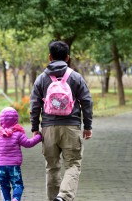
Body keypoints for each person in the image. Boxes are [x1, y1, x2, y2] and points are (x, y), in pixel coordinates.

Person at [30, 41, 93, 201]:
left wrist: (35, 127)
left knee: (52, 167)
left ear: (49, 57)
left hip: (48, 129)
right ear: (67, 57)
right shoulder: (76, 77)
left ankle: (54, 199)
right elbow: (86, 102)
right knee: (73, 164)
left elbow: (35, 104)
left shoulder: (41, 79)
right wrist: (88, 126)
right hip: (71, 127)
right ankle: (64, 197)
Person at [0, 107, 42, 201]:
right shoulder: (18, 133)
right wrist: (38, 137)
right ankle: (16, 198)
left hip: (0, 166)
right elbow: (28, 143)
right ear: (16, 119)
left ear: (0, 120)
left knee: (4, 186)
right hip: (14, 166)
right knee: (17, 184)